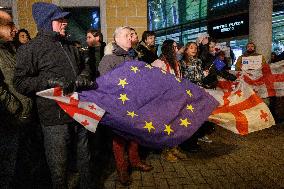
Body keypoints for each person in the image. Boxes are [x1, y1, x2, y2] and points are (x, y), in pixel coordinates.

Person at [13, 2, 93, 189]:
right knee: (59, 167)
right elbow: (20, 82)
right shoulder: (30, 49)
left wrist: (84, 75)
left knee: (85, 158)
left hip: (78, 109)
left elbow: (86, 67)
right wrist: (48, 82)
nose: (65, 22)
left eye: (64, 19)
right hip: (54, 118)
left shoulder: (70, 44)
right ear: (47, 22)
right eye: (60, 19)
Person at [99, 26, 153, 186]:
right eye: (126, 35)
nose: (130, 38)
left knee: (135, 134)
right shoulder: (108, 59)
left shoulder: (134, 57)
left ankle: (135, 161)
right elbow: (105, 82)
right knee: (119, 138)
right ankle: (122, 169)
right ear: (116, 39)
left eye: (131, 35)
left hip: (135, 102)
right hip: (118, 104)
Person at [152, 39, 187, 162]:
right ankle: (166, 151)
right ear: (168, 48)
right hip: (164, 100)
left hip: (176, 99)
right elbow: (153, 83)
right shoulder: (158, 63)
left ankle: (174, 147)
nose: (177, 49)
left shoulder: (176, 63)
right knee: (166, 126)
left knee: (175, 125)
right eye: (174, 47)